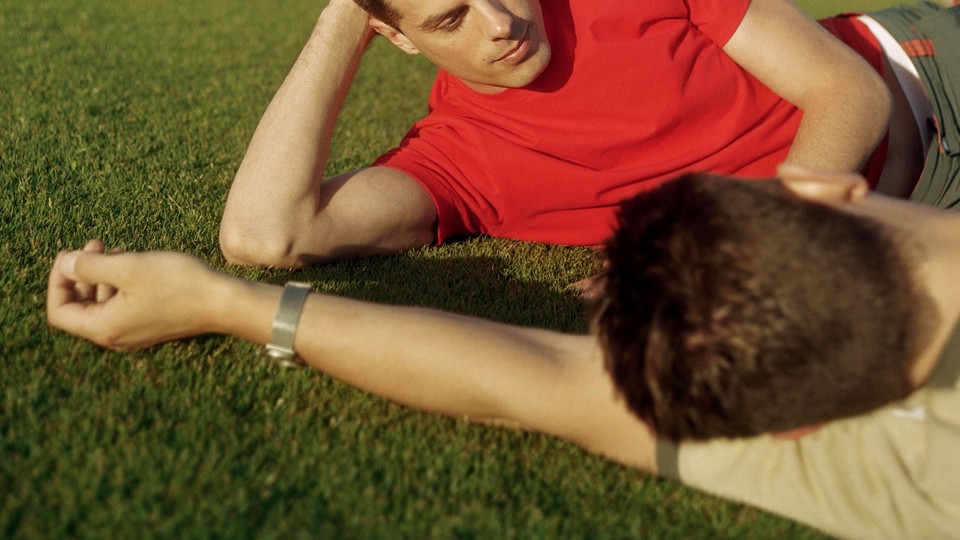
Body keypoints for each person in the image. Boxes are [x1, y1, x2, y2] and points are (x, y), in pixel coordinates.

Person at [47, 165, 960, 537]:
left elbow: (551, 385)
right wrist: (223, 298)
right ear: (828, 183)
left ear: (793, 430)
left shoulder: (922, 482)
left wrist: (228, 302)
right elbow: (554, 380)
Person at [218, 0, 960, 269]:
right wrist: (343, 16)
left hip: (921, 74)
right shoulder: (458, 161)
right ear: (395, 35)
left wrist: (723, 246)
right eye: (451, 17)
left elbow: (847, 92)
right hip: (912, 218)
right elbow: (265, 236)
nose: (501, 21)